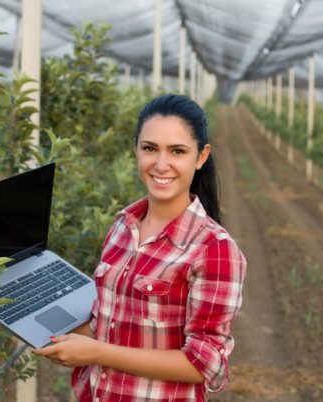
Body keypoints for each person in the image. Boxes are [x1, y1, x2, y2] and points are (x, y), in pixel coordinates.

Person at [32, 94, 247, 402]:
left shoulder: (214, 249)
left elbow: (205, 364)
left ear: (201, 157)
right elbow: (112, 325)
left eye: (177, 151)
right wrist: (36, 317)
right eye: (149, 148)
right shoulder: (123, 226)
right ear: (136, 148)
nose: (161, 164)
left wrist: (96, 352)